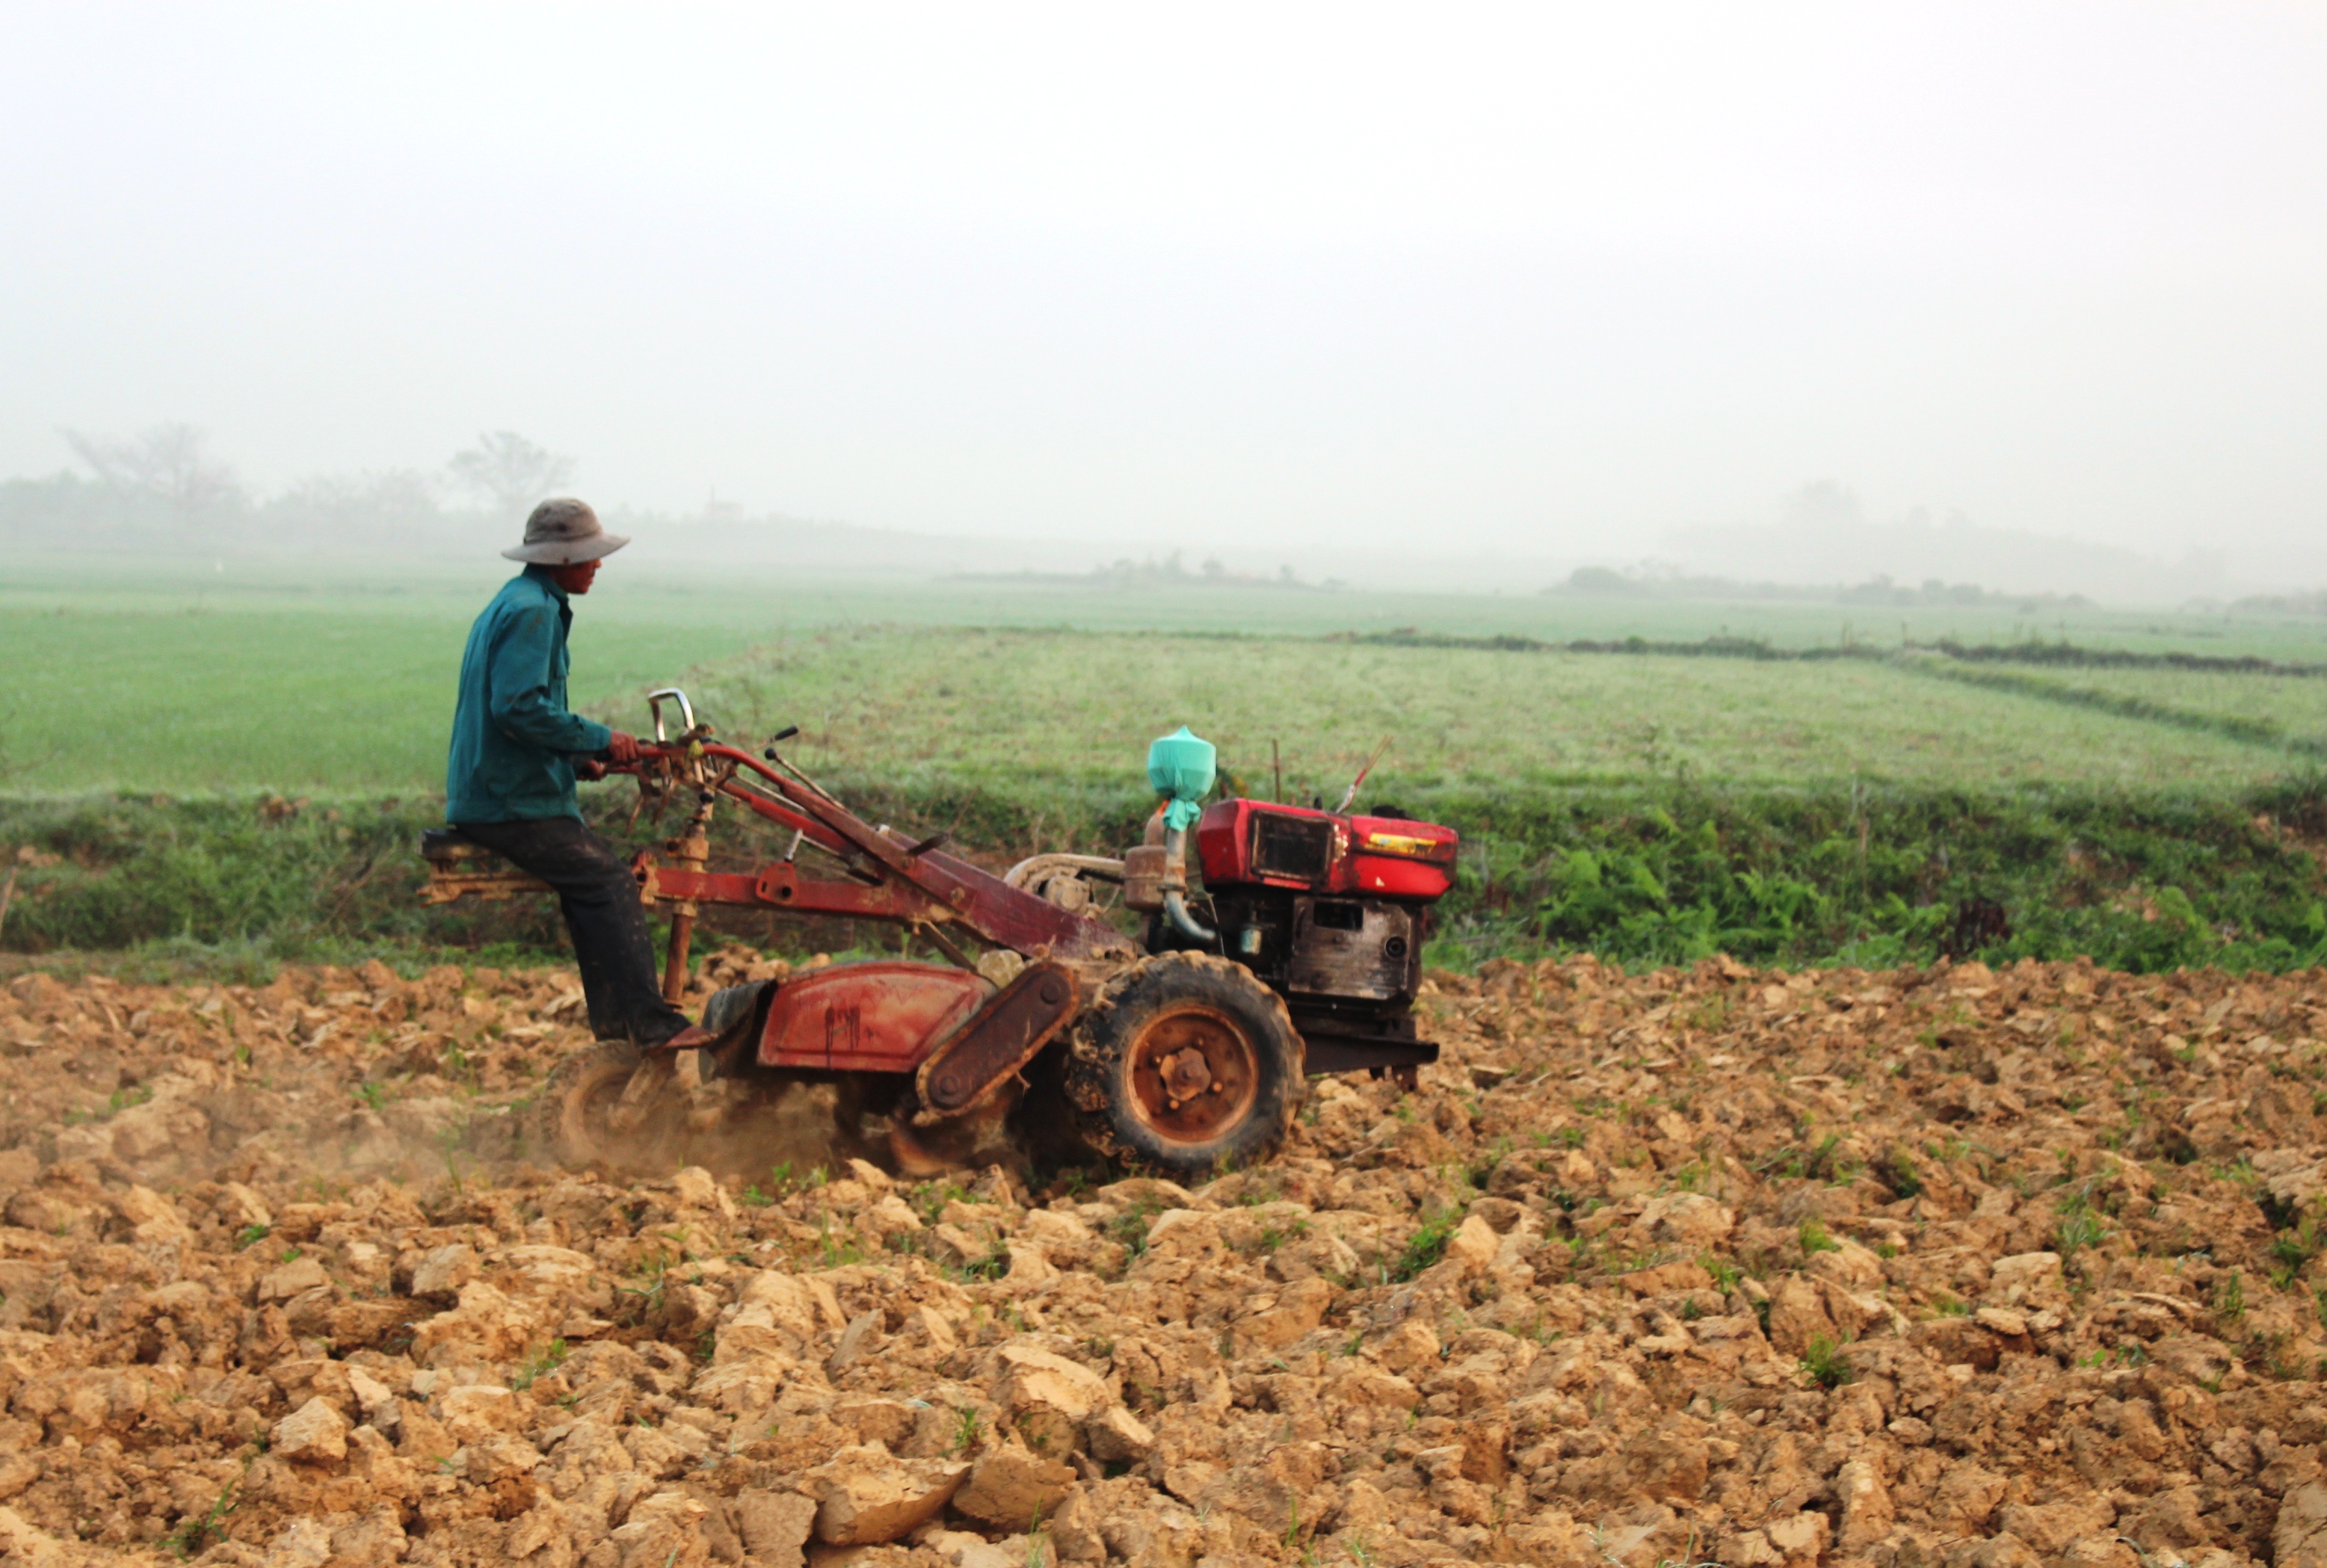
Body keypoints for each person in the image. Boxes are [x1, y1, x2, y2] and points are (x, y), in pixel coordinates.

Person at [446, 498, 698, 1049]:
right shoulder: (534, 610)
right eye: (588, 556)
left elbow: (519, 714)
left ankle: (614, 1028)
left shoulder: (517, 601)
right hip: (509, 801)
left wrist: (576, 757)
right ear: (559, 557)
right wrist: (601, 738)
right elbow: (516, 708)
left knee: (591, 887)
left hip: (505, 787)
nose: (597, 565)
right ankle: (651, 1025)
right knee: (608, 883)